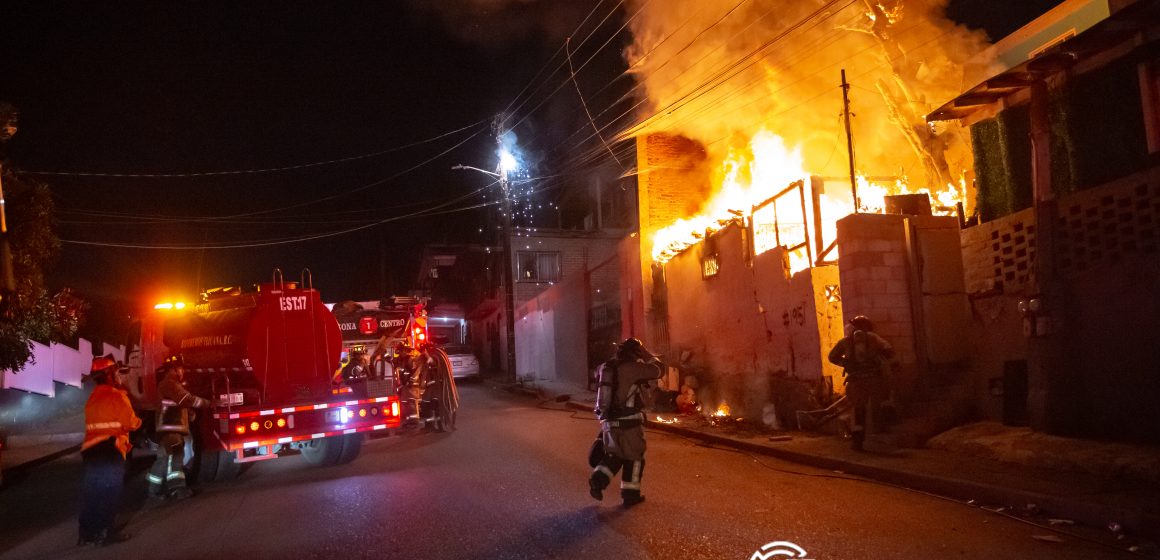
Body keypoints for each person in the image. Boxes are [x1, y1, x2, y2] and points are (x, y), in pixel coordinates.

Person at [588, 337, 662, 507]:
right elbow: (659, 370)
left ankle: (597, 481)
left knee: (614, 456)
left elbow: (597, 376)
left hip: (608, 424)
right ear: (635, 354)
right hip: (629, 424)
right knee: (634, 458)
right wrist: (648, 355)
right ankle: (631, 495)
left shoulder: (604, 367)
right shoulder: (634, 368)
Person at [78, 355, 141, 547]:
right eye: (115, 372)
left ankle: (86, 534)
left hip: (90, 451)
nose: (118, 376)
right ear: (109, 375)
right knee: (108, 493)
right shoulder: (117, 395)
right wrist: (140, 421)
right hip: (110, 449)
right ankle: (104, 533)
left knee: (92, 493)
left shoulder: (92, 398)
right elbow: (131, 423)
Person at [827, 315, 894, 451]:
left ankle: (857, 442)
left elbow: (831, 357)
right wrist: (880, 361)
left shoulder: (845, 341)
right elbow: (889, 351)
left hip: (855, 381)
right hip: (874, 380)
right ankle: (881, 436)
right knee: (878, 406)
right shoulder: (874, 338)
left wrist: (845, 364)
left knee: (858, 410)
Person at [147, 355, 209, 501]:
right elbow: (186, 399)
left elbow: (177, 404)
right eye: (181, 368)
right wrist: (208, 403)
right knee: (169, 460)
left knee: (171, 459)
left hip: (171, 430)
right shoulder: (169, 384)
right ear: (173, 370)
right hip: (170, 431)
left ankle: (167, 489)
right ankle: (165, 490)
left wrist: (189, 414)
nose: (182, 372)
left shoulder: (169, 385)